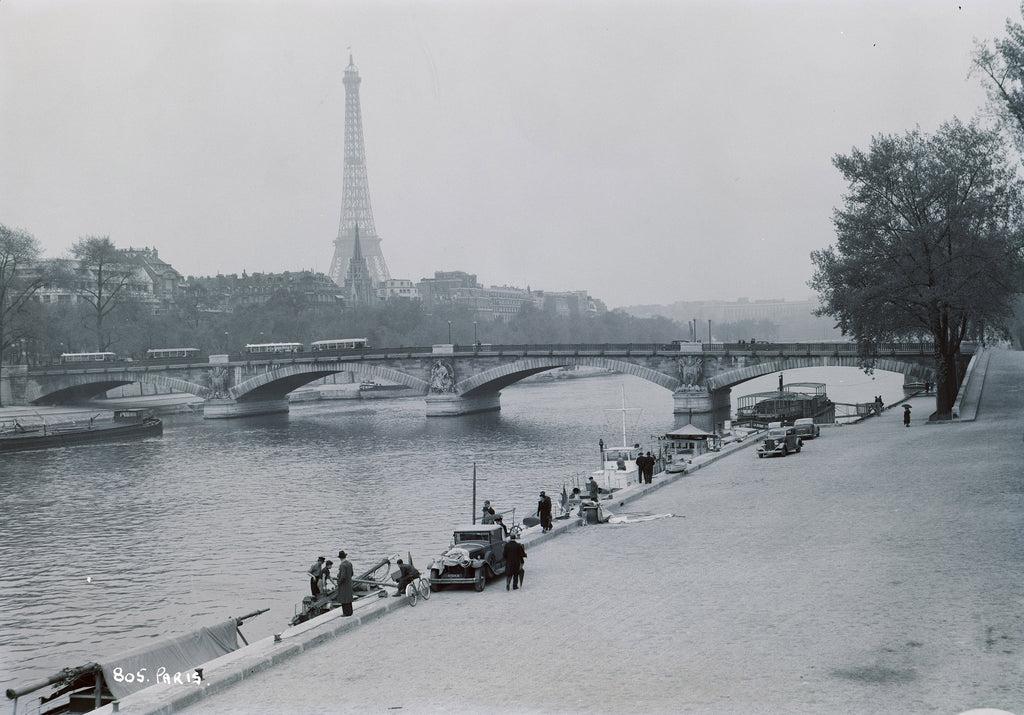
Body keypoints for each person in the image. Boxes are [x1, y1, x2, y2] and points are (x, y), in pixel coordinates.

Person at [334, 550, 354, 616]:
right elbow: (352, 573)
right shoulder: (349, 563)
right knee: (348, 598)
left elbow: (343, 576)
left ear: (340, 558)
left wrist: (339, 582)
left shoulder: (342, 565)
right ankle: (350, 612)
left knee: (343, 599)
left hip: (343, 584)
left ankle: (345, 613)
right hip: (349, 583)